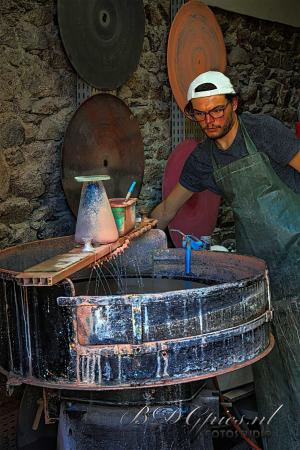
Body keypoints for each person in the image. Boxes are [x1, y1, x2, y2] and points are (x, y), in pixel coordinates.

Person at [151, 71, 300, 450]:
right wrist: (134, 230)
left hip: (299, 249)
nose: (210, 120)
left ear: (233, 104)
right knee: (276, 368)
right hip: (264, 268)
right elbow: (167, 209)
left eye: (217, 110)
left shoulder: (263, 131)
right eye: (200, 114)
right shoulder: (203, 159)